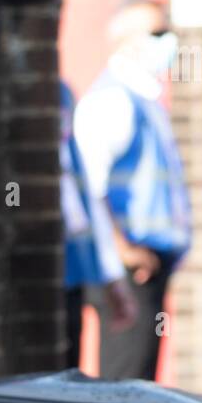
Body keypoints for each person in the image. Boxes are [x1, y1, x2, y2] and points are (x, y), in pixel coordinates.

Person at [73, 0, 192, 403]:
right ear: (126, 40)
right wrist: (121, 250)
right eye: (157, 34)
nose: (168, 43)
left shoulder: (143, 99)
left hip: (146, 263)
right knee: (120, 385)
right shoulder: (113, 101)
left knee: (135, 382)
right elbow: (89, 185)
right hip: (127, 266)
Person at [59, 80, 136, 368]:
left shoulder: (63, 94)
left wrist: (111, 274)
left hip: (72, 267)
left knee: (66, 376)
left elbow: (84, 190)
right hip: (36, 268)